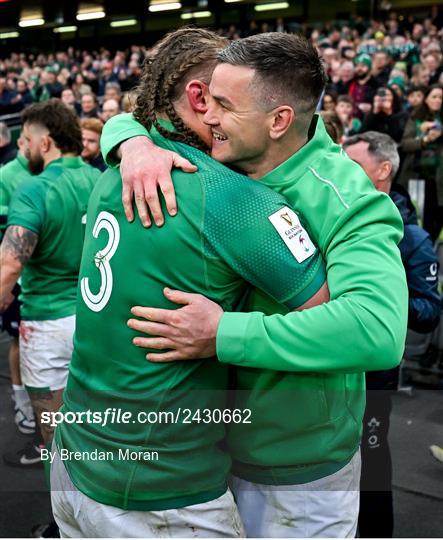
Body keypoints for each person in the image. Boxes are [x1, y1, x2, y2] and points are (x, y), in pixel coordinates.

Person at [101, 32, 407, 537]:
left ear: (279, 120)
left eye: (223, 105)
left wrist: (222, 333)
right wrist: (131, 143)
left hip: (299, 474)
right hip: (214, 456)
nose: (209, 117)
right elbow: (134, 117)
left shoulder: (347, 197)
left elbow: (377, 330)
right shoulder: (230, 155)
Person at [51, 28, 328, 539]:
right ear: (200, 98)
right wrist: (226, 331)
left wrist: (127, 138)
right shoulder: (234, 201)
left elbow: (125, 127)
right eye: (226, 98)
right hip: (159, 491)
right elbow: (326, 314)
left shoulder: (115, 170)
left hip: (75, 458)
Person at [343, 131, 441, 538]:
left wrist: (382, 306)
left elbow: (429, 311)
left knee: (372, 456)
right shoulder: (335, 217)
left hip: (375, 373)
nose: (341, 173)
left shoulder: (411, 237)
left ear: (383, 171)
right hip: (329, 366)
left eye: (352, 166)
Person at [0, 99, 100, 462]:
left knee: (56, 439)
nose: (22, 147)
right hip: (99, 317)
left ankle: (66, 518)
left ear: (45, 143)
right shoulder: (102, 180)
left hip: (48, 325)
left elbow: (9, 265)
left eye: (26, 139)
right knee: (101, 426)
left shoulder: (34, 188)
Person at [0, 135, 36, 440]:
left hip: (47, 283)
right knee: (18, 340)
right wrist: (5, 282)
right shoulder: (7, 174)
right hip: (17, 278)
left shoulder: (56, 172)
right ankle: (22, 401)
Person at [399, 84, 443, 241]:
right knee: (417, 215)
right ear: (426, 99)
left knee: (436, 217)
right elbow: (405, 144)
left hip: (438, 178)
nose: (438, 100)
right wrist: (423, 137)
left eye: (441, 98)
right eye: (434, 96)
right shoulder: (415, 118)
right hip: (416, 175)